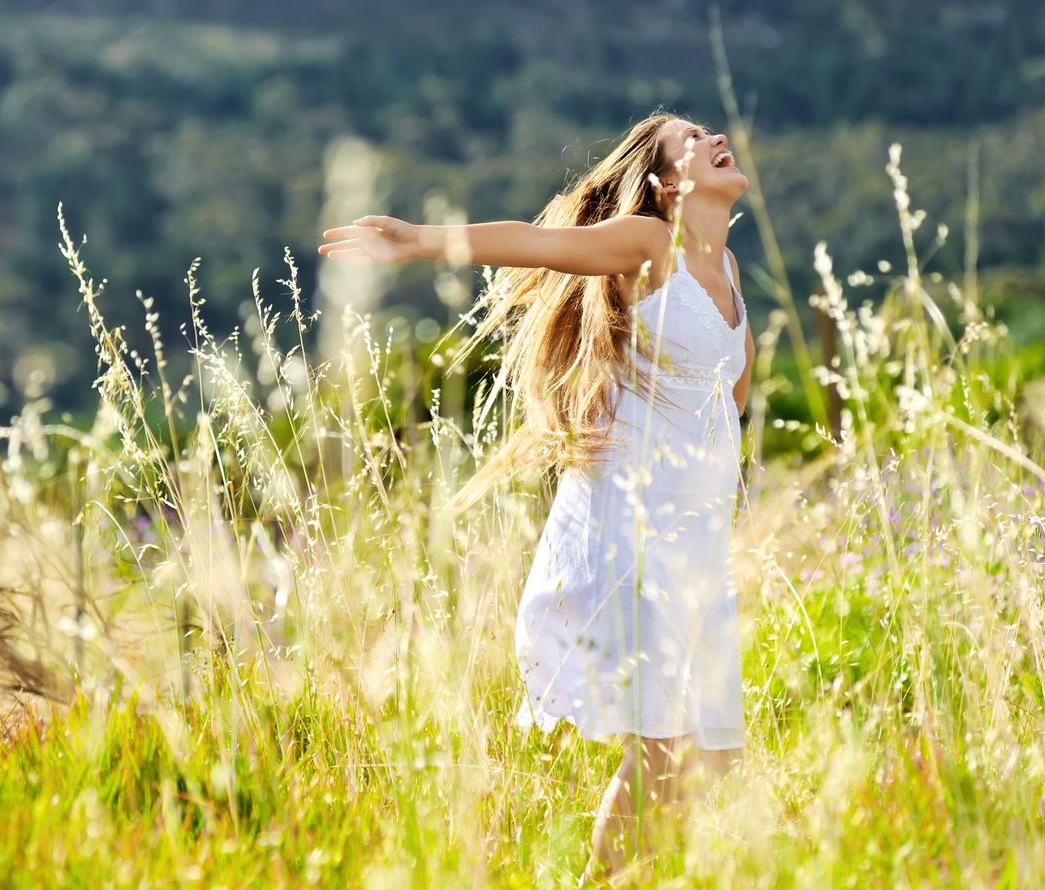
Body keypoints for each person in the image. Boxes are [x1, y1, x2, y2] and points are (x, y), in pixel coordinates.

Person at [318, 111, 754, 883]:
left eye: (707, 131)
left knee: (711, 750)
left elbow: (732, 399)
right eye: (688, 140)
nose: (712, 138)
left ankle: (641, 872)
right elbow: (542, 242)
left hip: (696, 538)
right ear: (664, 185)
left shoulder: (730, 272)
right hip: (636, 531)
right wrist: (420, 240)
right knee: (661, 741)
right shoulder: (652, 244)